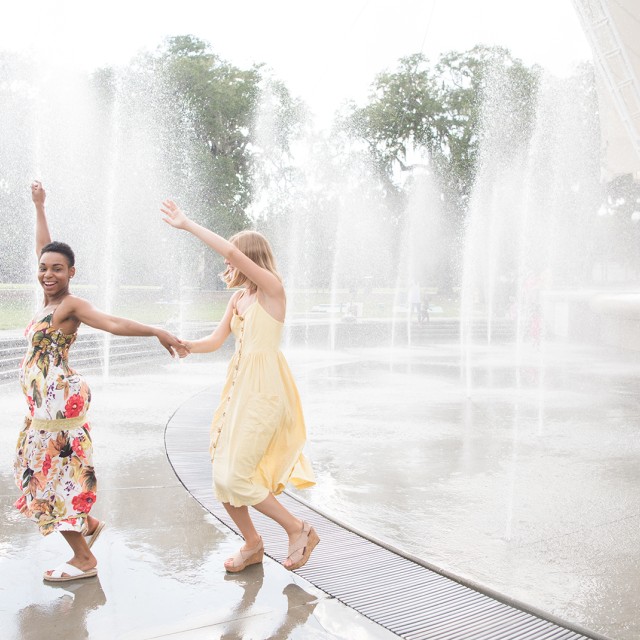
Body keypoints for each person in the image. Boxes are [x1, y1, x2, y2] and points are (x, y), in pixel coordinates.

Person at [14, 181, 186, 583]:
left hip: (58, 405)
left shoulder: (71, 305)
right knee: (53, 470)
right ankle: (86, 523)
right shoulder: (48, 301)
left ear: (72, 273)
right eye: (44, 268)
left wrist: (156, 331)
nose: (48, 273)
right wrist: (40, 207)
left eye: (58, 268)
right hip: (45, 407)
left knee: (52, 476)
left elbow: (112, 323)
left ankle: (84, 559)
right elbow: (45, 247)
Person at [160, 199, 319, 573]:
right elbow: (216, 341)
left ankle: (299, 530)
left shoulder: (271, 290)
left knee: (237, 476)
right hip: (237, 391)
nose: (226, 263)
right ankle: (252, 544)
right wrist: (186, 345)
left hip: (264, 393)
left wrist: (188, 224)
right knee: (221, 474)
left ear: (248, 258)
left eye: (233, 258)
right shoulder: (239, 298)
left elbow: (230, 249)